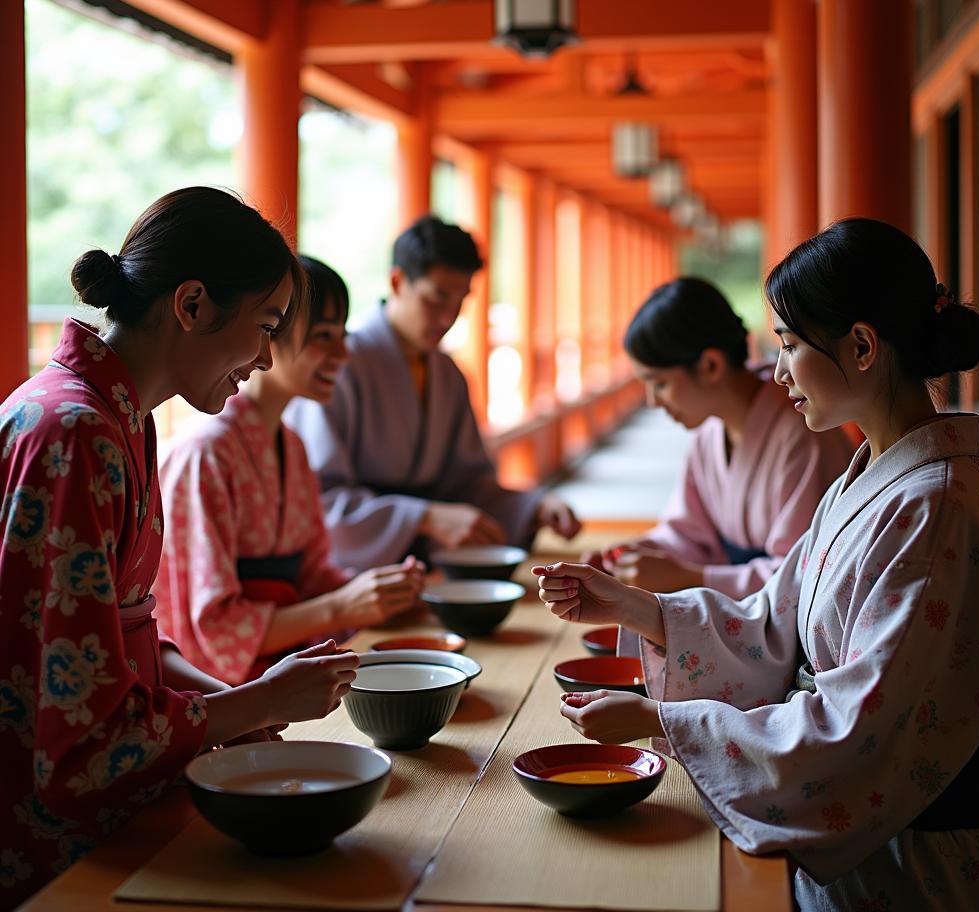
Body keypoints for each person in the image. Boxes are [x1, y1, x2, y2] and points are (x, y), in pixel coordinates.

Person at [534, 219, 979, 910]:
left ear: (860, 346)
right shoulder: (872, 477)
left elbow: (857, 728)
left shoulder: (932, 508)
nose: (779, 371)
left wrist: (663, 720)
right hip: (867, 846)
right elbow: (773, 622)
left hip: (914, 865)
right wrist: (633, 605)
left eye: (790, 346)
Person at [0, 188, 358, 908]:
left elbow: (133, 635)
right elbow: (76, 743)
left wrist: (238, 705)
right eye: (264, 326)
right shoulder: (75, 433)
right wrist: (253, 699)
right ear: (191, 305)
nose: (264, 357)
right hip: (46, 837)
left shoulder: (122, 420)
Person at [156, 257, 424, 685]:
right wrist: (343, 607)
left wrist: (380, 592)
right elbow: (215, 628)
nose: (343, 353)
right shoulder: (205, 453)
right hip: (225, 692)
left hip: (287, 673)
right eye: (323, 337)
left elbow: (314, 574)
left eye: (342, 336)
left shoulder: (292, 446)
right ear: (266, 337)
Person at [286, 214, 581, 570]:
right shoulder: (338, 364)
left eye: (460, 302)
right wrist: (423, 517)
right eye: (437, 298)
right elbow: (321, 499)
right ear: (398, 282)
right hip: (360, 570)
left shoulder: (448, 373)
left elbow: (467, 484)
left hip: (427, 564)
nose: (448, 318)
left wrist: (534, 506)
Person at [582, 277, 852, 599]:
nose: (653, 401)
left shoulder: (803, 432)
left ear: (711, 365)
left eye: (660, 383)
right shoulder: (709, 434)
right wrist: (635, 554)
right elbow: (689, 532)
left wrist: (692, 577)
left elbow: (800, 575)